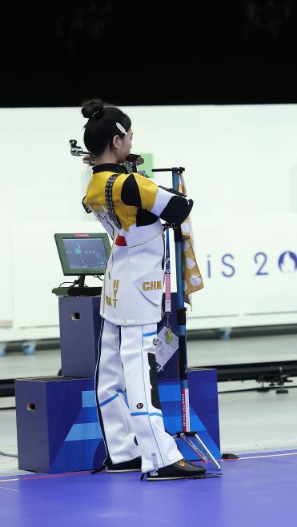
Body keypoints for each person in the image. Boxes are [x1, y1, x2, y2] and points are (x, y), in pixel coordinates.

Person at [80, 98, 208, 478]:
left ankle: (122, 452)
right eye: (130, 136)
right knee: (139, 369)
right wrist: (142, 177)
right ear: (117, 141)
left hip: (116, 283)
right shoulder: (132, 184)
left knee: (110, 372)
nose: (133, 142)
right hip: (141, 287)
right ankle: (159, 456)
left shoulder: (94, 184)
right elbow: (180, 207)